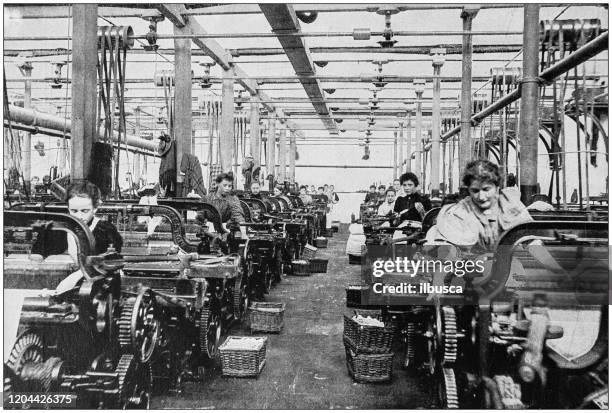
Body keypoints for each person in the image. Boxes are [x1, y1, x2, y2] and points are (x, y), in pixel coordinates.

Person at [425, 160, 532, 253]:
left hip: (507, 265)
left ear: (497, 187)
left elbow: (532, 241)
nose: (481, 197)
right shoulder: (459, 212)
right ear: (468, 190)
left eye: (486, 189)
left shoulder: (510, 205)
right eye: (475, 191)